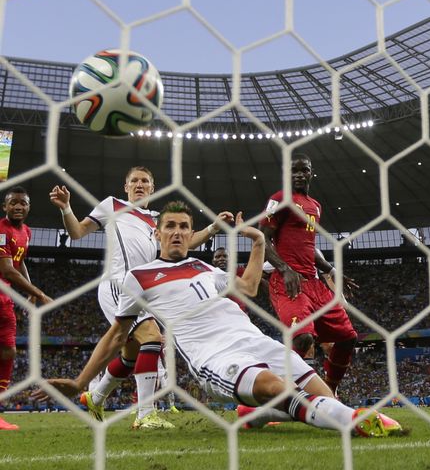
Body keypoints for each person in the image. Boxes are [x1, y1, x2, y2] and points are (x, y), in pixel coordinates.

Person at [32, 201, 401, 437]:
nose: (177, 232)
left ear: (191, 234)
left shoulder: (205, 267)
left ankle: (259, 414)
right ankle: (351, 423)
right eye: (170, 226)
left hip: (255, 339)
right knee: (275, 386)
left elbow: (250, 288)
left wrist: (257, 243)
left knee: (318, 388)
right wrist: (80, 381)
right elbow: (117, 334)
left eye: (183, 227)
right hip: (215, 356)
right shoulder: (140, 277)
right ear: (157, 233)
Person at [49, 167, 231, 429]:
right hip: (118, 285)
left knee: (130, 355)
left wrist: (213, 227)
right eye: (134, 181)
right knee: (152, 338)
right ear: (126, 187)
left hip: (144, 289)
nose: (139, 184)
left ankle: (95, 396)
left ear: (152, 188)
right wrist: (66, 208)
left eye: (145, 181)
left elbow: (184, 243)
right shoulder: (112, 205)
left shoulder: (156, 221)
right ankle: (146, 414)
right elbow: (77, 232)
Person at [260, 154, 358, 395]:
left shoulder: (315, 206)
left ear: (311, 173)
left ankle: (329, 391)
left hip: (314, 283)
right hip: (288, 283)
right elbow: (263, 237)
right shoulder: (280, 199)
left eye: (304, 170)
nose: (300, 174)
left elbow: (308, 248)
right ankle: (280, 396)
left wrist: (332, 271)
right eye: (294, 171)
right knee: (303, 339)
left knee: (347, 337)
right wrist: (284, 269)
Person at [0, 186, 53, 431]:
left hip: (6, 297)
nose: (18, 206)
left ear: (29, 207)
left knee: (9, 351)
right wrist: (39, 294)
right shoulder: (1, 230)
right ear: (5, 207)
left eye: (22, 203)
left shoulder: (27, 232)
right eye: (13, 203)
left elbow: (19, 264)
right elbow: (7, 269)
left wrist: (30, 292)